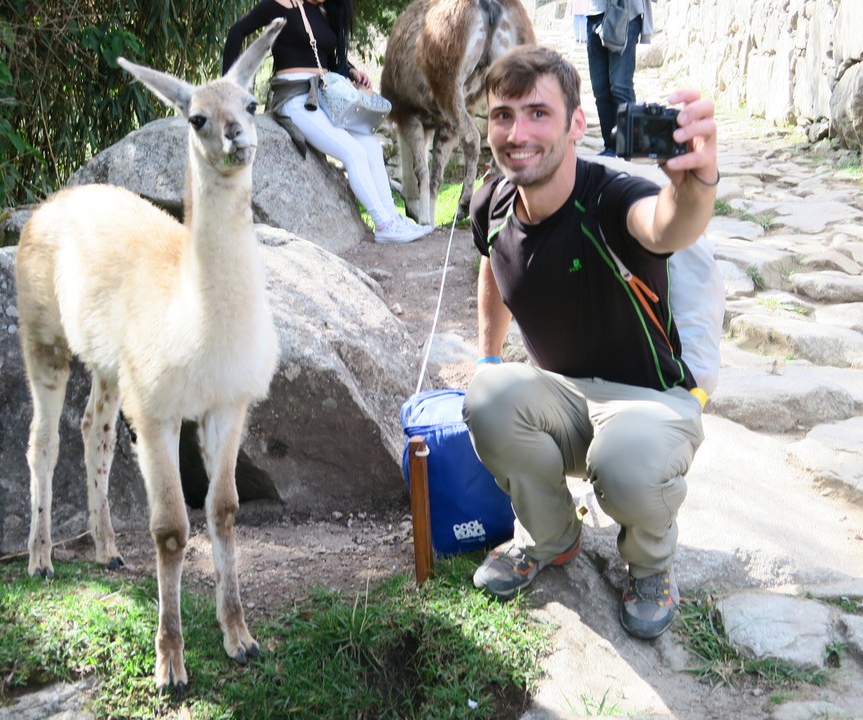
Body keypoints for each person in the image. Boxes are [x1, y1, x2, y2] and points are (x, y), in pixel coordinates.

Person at [463, 44, 719, 640]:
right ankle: (552, 537)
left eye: (538, 113)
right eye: (503, 115)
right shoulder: (492, 202)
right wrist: (487, 354)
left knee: (625, 463)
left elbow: (667, 225)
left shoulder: (611, 199)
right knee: (487, 394)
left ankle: (651, 566)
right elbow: (490, 264)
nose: (517, 132)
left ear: (577, 123)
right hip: (565, 399)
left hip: (652, 404)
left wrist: (695, 184)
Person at [222, 0, 431, 244]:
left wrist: (351, 70)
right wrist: (230, 87)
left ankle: (393, 219)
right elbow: (237, 32)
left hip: (323, 99)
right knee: (353, 152)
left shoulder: (320, 12)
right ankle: (383, 223)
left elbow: (321, 56)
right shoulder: (279, 5)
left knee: (371, 147)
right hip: (296, 100)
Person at [586, 0, 654, 156]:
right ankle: (611, 146)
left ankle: (632, 146)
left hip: (626, 12)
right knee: (600, 89)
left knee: (620, 85)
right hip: (594, 13)